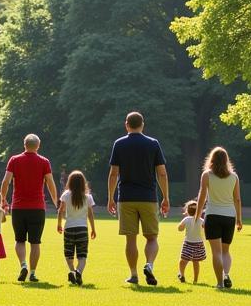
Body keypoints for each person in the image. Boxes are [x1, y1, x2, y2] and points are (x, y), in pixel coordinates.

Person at [107, 111, 169, 285]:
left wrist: (111, 197)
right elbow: (162, 173)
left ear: (126, 124)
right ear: (142, 124)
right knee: (152, 237)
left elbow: (113, 174)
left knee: (131, 238)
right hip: (148, 197)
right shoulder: (153, 144)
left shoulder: (119, 144)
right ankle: (149, 264)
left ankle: (134, 275)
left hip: (126, 197)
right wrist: (166, 197)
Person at [0, 133, 57, 282]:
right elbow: (50, 182)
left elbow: (6, 181)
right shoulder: (44, 161)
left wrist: (3, 199)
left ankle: (23, 265)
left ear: (24, 145)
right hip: (38, 207)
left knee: (19, 240)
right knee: (35, 242)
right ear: (38, 145)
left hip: (18, 207)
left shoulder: (14, 160)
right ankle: (32, 273)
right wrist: (56, 201)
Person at [195, 146, 243, 289]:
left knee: (216, 252)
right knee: (226, 251)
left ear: (212, 159)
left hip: (213, 216)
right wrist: (239, 219)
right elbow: (237, 200)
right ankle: (226, 274)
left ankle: (220, 283)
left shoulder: (207, 175)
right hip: (229, 217)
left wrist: (197, 215)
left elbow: (202, 197)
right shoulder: (234, 177)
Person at [57, 170, 96, 285]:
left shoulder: (65, 195)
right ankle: (78, 271)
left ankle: (72, 271)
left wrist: (59, 224)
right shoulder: (88, 197)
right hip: (82, 229)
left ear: (70, 182)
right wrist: (93, 228)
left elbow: (60, 211)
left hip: (69, 228)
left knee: (69, 254)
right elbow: (90, 214)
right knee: (82, 255)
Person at [177, 199, 206, 284]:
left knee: (183, 260)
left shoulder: (186, 219)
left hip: (188, 243)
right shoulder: (201, 221)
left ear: (187, 211)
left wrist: (183, 225)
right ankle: (195, 280)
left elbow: (179, 228)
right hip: (199, 244)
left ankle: (181, 274)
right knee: (196, 262)